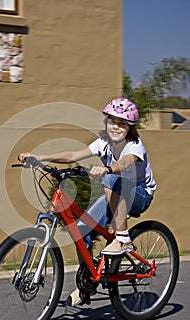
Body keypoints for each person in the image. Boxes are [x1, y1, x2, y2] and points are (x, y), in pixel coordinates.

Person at [18, 98, 156, 304]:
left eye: (122, 124)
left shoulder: (134, 146)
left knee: (110, 179)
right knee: (81, 232)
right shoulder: (103, 143)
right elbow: (73, 154)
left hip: (140, 194)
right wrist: (40, 157)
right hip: (115, 193)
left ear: (130, 128)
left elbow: (126, 163)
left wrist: (109, 169)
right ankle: (87, 286)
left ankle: (123, 238)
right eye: (112, 121)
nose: (116, 127)